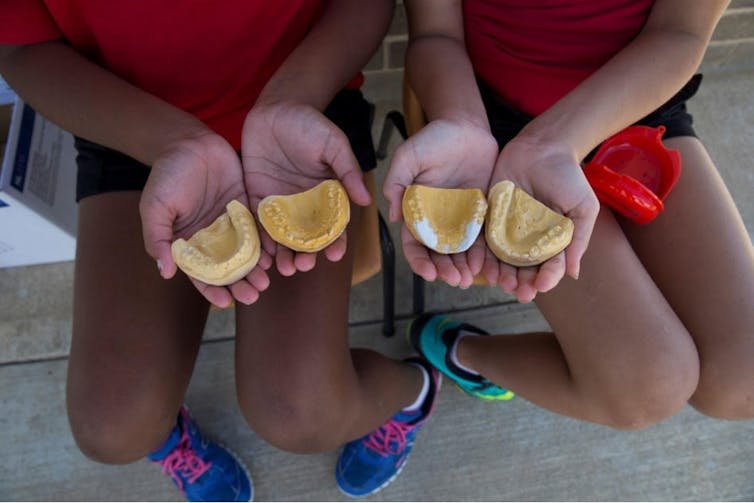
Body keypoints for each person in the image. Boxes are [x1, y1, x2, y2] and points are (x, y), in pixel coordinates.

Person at [0, 1, 440, 500]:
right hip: (131, 129)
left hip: (305, 106)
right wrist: (169, 142)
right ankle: (167, 428)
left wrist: (290, 100)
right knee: (112, 428)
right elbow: (21, 47)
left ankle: (414, 391)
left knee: (301, 415)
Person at [387, 0, 754, 428]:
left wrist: (556, 142)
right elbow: (436, 35)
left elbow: (681, 33)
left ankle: (459, 353)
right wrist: (468, 124)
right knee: (647, 385)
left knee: (742, 378)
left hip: (636, 105)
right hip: (495, 124)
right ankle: (459, 350)